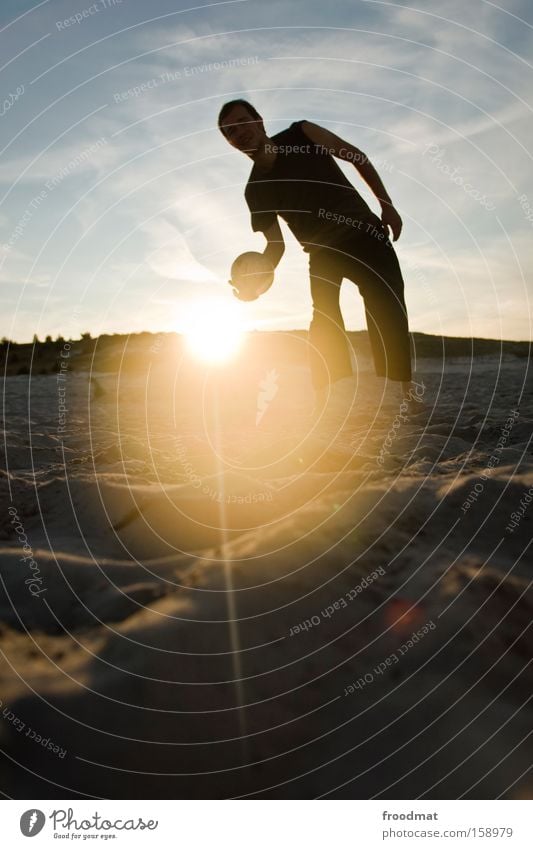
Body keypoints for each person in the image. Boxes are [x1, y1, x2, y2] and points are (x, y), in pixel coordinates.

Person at [218, 98, 417, 405]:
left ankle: (402, 391)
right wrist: (255, 282)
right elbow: (275, 246)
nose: (239, 132)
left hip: (365, 233)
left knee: (387, 305)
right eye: (230, 131)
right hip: (322, 252)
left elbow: (357, 157)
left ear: (259, 121)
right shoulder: (254, 190)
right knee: (324, 318)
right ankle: (332, 395)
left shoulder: (302, 133)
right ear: (230, 143)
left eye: (242, 122)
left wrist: (386, 206)